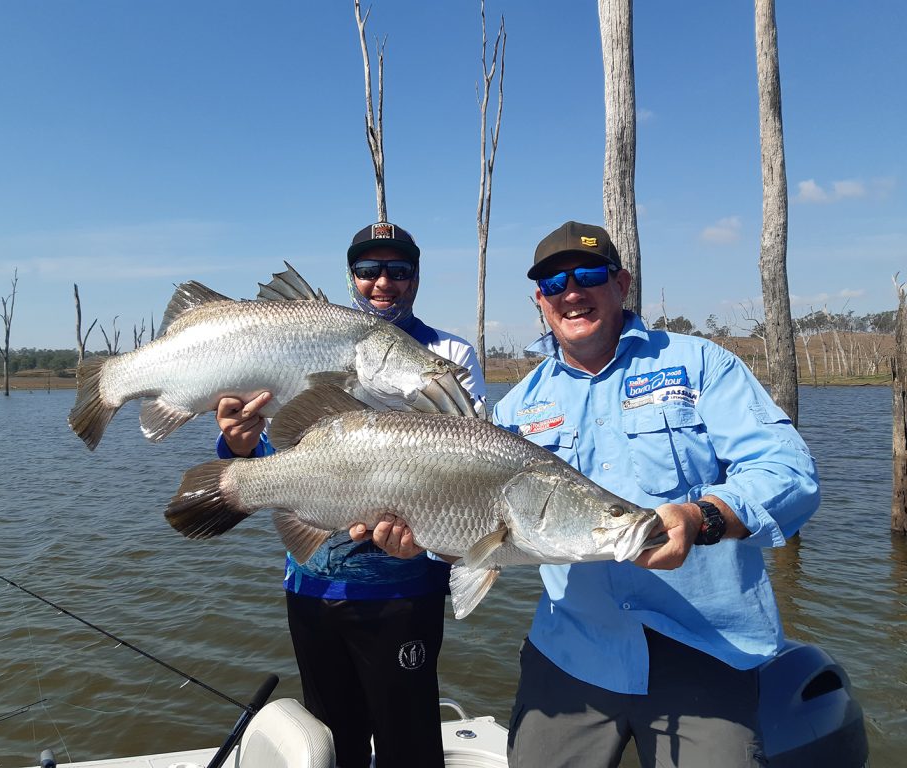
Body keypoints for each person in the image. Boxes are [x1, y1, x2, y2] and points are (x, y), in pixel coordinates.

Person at [361, 221, 819, 768]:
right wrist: (423, 539)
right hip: (572, 650)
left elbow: (789, 471)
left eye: (589, 275)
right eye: (554, 284)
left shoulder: (700, 365)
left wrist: (704, 517)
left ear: (621, 284)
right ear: (540, 301)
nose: (572, 292)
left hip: (706, 646)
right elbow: (476, 531)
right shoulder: (515, 409)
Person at [214, 221, 486, 768]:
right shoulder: (301, 342)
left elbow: (474, 465)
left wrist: (436, 542)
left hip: (404, 588)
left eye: (398, 269)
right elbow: (272, 455)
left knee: (409, 745)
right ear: (350, 277)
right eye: (368, 270)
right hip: (311, 582)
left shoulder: (447, 355)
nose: (383, 281)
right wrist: (236, 443)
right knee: (335, 742)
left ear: (416, 277)